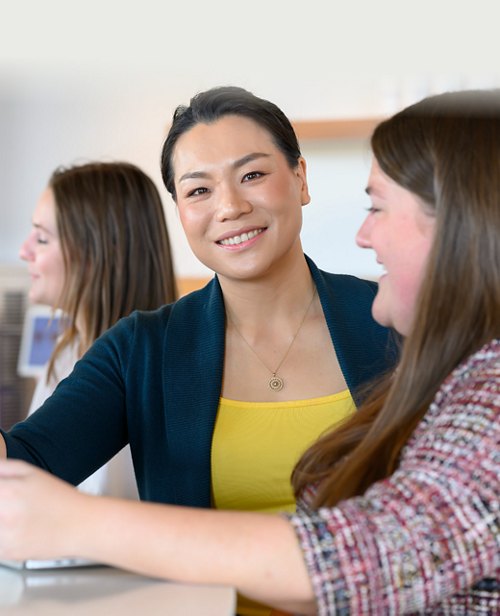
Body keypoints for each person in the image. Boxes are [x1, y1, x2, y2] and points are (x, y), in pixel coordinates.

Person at [0, 87, 400, 615]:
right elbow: (28, 461)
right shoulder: (141, 348)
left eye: (252, 175)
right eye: (198, 191)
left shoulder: (394, 320)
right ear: (180, 212)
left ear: (300, 178)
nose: (230, 207)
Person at [18, 161, 177, 498]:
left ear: (97, 252)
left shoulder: (155, 379)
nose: (24, 252)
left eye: (42, 239)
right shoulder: (65, 349)